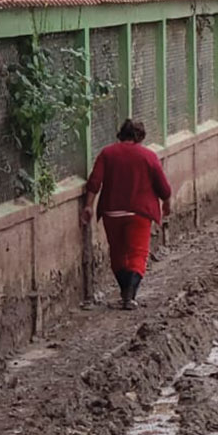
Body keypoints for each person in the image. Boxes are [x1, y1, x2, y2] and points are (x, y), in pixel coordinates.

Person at [81, 119, 173, 310]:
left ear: (121, 134)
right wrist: (167, 203)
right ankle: (130, 294)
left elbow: (95, 181)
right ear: (140, 136)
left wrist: (88, 206)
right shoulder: (148, 156)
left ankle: (125, 291)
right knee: (138, 253)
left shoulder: (107, 153)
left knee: (118, 252)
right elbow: (163, 186)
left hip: (112, 212)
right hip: (139, 213)